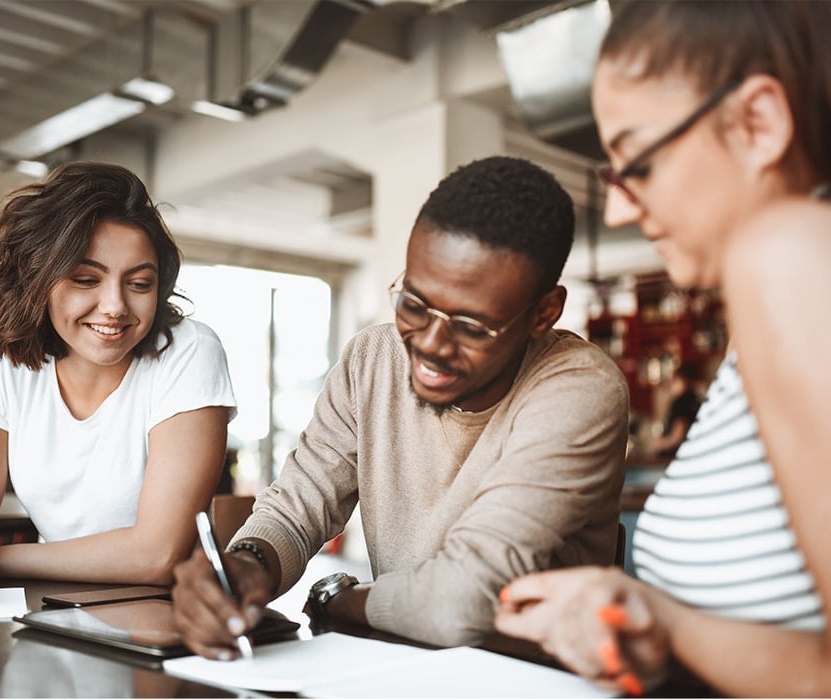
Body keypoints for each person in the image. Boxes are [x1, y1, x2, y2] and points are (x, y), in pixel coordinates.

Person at [495, 2, 831, 696]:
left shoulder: (786, 253)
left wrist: (652, 614)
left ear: (758, 122)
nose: (618, 208)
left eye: (637, 162)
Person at [171, 155, 629, 656]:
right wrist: (247, 564)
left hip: (530, 682)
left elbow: (461, 601)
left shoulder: (579, 387)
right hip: (398, 666)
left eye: (471, 326)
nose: (430, 343)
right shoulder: (374, 359)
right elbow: (298, 507)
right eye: (414, 302)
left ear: (544, 313)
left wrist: (337, 601)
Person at [0, 162, 236, 608]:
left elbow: (158, 554)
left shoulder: (190, 352)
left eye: (139, 283)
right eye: (85, 279)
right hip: (56, 608)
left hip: (172, 615)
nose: (115, 306)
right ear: (39, 279)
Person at [649, 363, 700, 457]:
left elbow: (678, 437)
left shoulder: (680, 402)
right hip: (693, 455)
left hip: (673, 457)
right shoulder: (696, 401)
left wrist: (659, 444)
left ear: (681, 380)